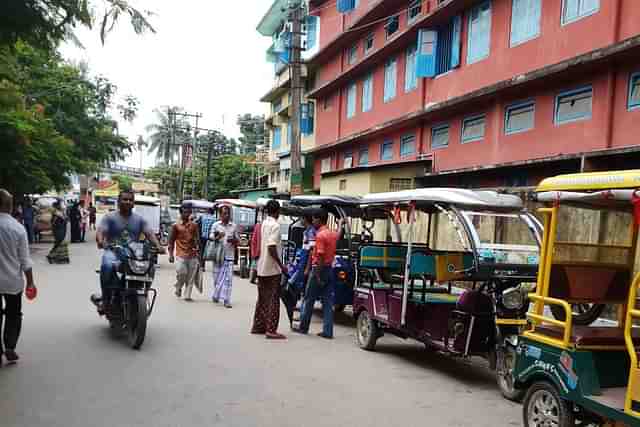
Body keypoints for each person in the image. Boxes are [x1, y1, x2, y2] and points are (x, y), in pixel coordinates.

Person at [95, 191, 165, 311]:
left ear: (133, 203)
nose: (128, 202)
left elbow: (149, 233)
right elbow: (101, 231)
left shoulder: (139, 220)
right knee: (107, 266)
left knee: (150, 267)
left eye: (130, 200)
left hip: (133, 253)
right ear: (118, 201)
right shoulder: (109, 217)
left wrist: (158, 246)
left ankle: (144, 291)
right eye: (125, 199)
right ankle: (106, 300)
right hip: (113, 251)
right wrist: (101, 241)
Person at [0, 189, 36, 365]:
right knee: (13, 314)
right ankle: (10, 347)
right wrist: (31, 282)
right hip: (12, 281)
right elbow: (25, 260)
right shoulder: (18, 228)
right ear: (10, 206)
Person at [294, 208, 339, 339]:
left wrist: (317, 275)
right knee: (328, 302)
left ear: (319, 219)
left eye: (314, 219)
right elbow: (339, 234)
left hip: (319, 269)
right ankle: (328, 331)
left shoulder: (320, 235)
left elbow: (319, 256)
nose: (312, 221)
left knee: (309, 299)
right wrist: (340, 224)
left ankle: (303, 327)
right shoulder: (332, 234)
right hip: (330, 268)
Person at [251, 200, 287, 339]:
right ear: (278, 212)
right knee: (273, 299)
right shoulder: (275, 226)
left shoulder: (263, 224)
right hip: (272, 268)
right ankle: (271, 330)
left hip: (261, 266)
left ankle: (258, 325)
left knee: (262, 298)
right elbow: (271, 246)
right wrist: (281, 265)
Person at [169, 204, 200, 302]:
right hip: (181, 253)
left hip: (192, 254)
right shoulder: (175, 225)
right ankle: (178, 286)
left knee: (190, 277)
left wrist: (198, 247)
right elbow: (171, 241)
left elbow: (197, 239)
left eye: (188, 212)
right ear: (181, 213)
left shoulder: (194, 225)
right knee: (181, 272)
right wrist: (170, 254)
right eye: (184, 212)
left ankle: (187, 295)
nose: (186, 214)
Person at [210, 205, 239, 308]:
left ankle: (226, 299)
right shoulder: (215, 225)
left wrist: (234, 240)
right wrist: (218, 237)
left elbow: (238, 240)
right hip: (218, 256)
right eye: (224, 213)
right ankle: (216, 294)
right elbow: (211, 238)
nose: (226, 215)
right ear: (220, 214)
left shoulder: (234, 226)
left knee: (228, 279)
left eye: (227, 213)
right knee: (217, 278)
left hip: (229, 256)